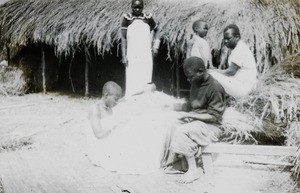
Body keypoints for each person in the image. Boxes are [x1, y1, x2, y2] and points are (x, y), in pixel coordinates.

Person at [162, 56, 226, 184]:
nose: (188, 80)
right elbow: (192, 105)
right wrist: (174, 107)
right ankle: (176, 164)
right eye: (187, 76)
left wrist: (191, 116)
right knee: (171, 125)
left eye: (191, 76)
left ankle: (193, 169)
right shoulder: (196, 83)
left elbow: (214, 116)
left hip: (212, 127)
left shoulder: (215, 87)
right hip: (197, 122)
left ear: (201, 71)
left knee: (183, 130)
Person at [121, 0, 160, 98]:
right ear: (131, 6)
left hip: (145, 53)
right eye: (135, 7)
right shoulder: (127, 19)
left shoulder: (148, 18)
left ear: (143, 7)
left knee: (145, 76)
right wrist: (124, 56)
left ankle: (144, 99)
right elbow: (123, 38)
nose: (137, 9)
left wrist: (156, 46)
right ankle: (131, 99)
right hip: (132, 53)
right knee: (132, 76)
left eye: (139, 7)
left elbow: (157, 30)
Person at [208, 24, 257, 98]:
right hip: (245, 86)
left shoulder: (240, 50)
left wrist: (211, 71)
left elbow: (230, 72)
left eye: (228, 38)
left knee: (210, 74)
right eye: (224, 39)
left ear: (237, 37)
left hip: (244, 89)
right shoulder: (240, 47)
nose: (225, 41)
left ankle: (206, 102)